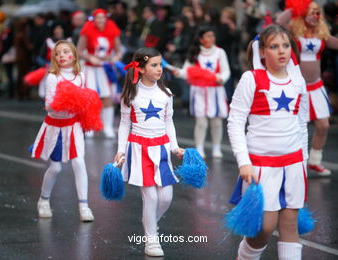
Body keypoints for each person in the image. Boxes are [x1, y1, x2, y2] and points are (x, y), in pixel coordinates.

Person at [227, 24, 308, 260]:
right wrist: (244, 162)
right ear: (262, 51)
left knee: (290, 225)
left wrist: (304, 159)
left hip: (294, 163)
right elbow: (235, 122)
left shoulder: (297, 81)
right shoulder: (251, 79)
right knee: (264, 227)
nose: (282, 51)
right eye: (274, 46)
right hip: (261, 165)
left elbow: (302, 123)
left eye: (285, 45)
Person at [113, 47, 184, 257]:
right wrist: (120, 150)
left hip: (161, 149)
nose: (159, 69)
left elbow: (168, 121)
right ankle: (151, 240)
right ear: (141, 69)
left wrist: (174, 146)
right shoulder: (130, 94)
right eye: (154, 65)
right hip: (139, 149)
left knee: (166, 198)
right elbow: (124, 124)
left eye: (160, 64)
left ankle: (150, 226)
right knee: (151, 197)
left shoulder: (166, 94)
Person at [276, 1, 338, 176]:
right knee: (295, 127)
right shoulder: (292, 32)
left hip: (316, 85)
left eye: (317, 13)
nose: (314, 16)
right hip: (295, 87)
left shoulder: (321, 35)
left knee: (323, 125)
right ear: (303, 14)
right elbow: (279, 22)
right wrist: (294, 9)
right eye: (310, 12)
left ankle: (314, 161)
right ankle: (293, 162)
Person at [31, 40, 94, 222]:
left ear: (73, 56)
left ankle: (84, 206)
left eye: (65, 52)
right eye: (57, 53)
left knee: (79, 162)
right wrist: (65, 101)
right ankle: (43, 201)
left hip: (73, 126)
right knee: (56, 168)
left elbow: (83, 102)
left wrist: (83, 107)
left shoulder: (80, 76)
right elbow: (49, 106)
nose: (61, 56)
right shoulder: (52, 77)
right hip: (55, 127)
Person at [176, 26, 231, 158]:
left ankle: (216, 148)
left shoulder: (220, 52)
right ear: (201, 39)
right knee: (201, 122)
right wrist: (178, 72)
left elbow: (226, 71)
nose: (212, 38)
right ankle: (199, 147)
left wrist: (221, 78)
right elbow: (186, 71)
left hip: (215, 91)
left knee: (216, 122)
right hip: (199, 91)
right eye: (208, 36)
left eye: (213, 35)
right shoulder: (195, 53)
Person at [77, 8, 122, 138]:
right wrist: (90, 58)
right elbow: (79, 50)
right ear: (94, 19)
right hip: (90, 68)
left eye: (103, 17)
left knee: (107, 97)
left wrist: (115, 58)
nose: (100, 20)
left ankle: (107, 127)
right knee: (90, 97)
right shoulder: (87, 31)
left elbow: (119, 50)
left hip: (105, 68)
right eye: (98, 17)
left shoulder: (112, 31)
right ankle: (89, 125)